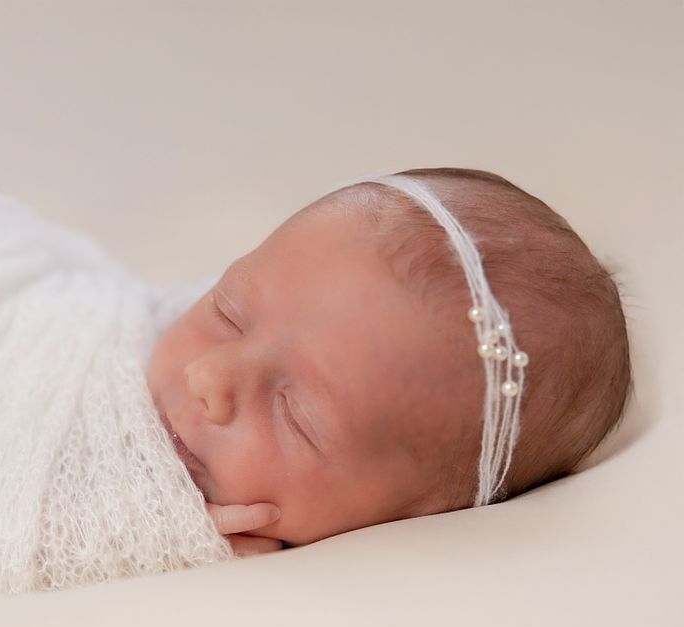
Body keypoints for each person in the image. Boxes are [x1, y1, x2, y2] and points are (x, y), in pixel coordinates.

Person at [146, 168, 633, 557]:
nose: (207, 375)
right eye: (228, 314)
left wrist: (156, 530)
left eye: (295, 416)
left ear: (413, 517)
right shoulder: (130, 323)